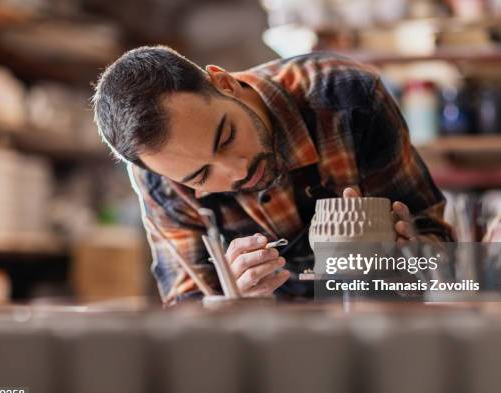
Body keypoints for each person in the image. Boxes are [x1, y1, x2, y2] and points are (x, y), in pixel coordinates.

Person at [92, 46, 454, 305]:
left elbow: (443, 250)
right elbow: (187, 310)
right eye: (202, 175)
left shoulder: (346, 98)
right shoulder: (160, 178)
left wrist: (417, 253)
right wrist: (230, 296)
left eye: (227, 136)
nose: (237, 170)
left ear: (224, 83)